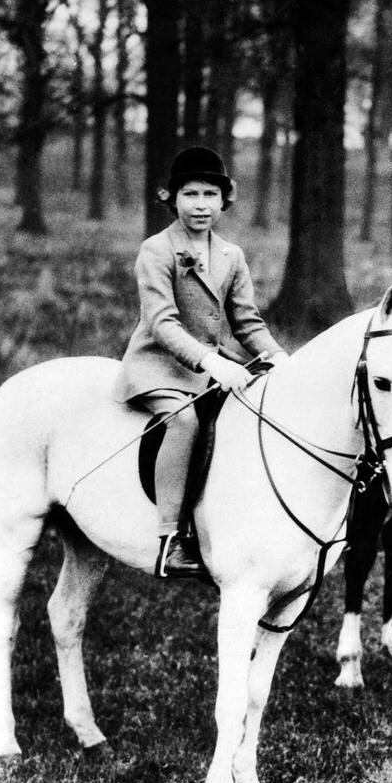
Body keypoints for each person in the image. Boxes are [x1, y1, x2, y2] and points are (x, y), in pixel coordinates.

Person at [113, 146, 288, 575]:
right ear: (171, 198)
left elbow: (247, 323)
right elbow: (162, 323)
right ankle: (171, 537)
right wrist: (211, 362)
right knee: (184, 421)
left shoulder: (232, 255)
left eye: (210, 194)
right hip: (159, 366)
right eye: (190, 194)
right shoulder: (156, 250)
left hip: (215, 366)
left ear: (224, 200)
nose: (201, 204)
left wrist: (280, 358)